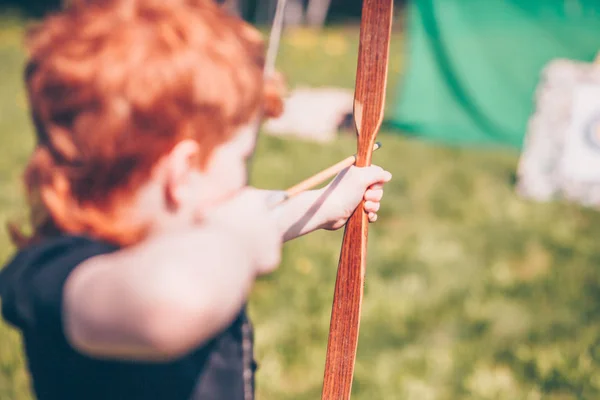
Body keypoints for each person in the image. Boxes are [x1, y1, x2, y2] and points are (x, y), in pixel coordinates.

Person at [0, 0, 392, 399]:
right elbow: (174, 299)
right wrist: (238, 240)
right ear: (183, 172)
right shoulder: (57, 273)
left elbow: (240, 222)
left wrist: (325, 204)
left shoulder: (190, 234)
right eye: (239, 158)